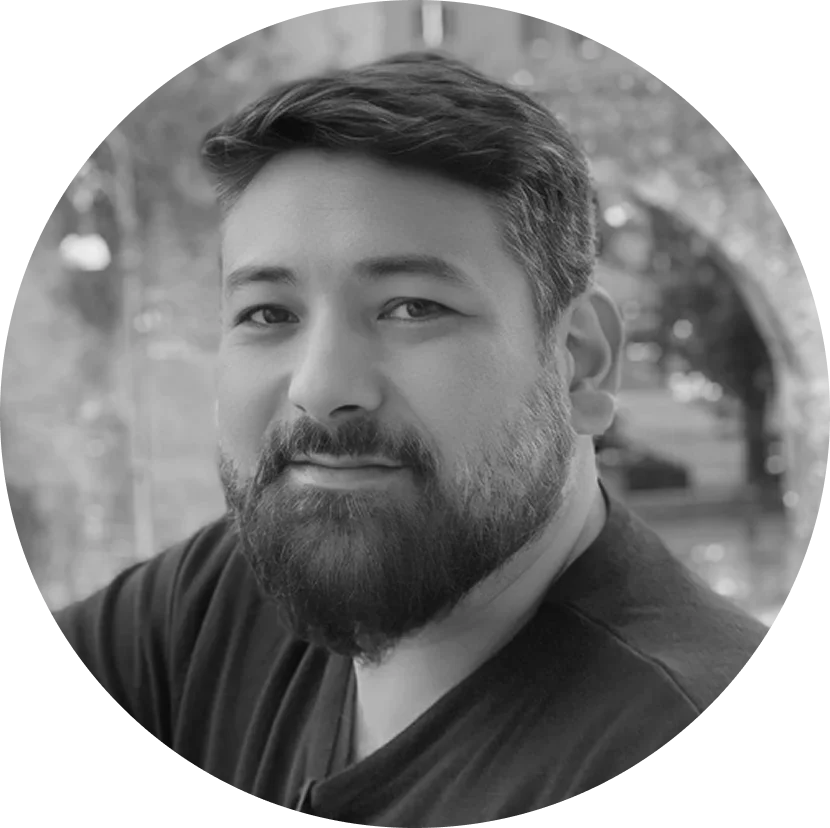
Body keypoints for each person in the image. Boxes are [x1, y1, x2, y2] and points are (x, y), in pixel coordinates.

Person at [51, 51, 767, 822]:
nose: (321, 387)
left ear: (581, 362)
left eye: (412, 307)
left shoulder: (669, 722)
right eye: (268, 313)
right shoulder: (220, 602)